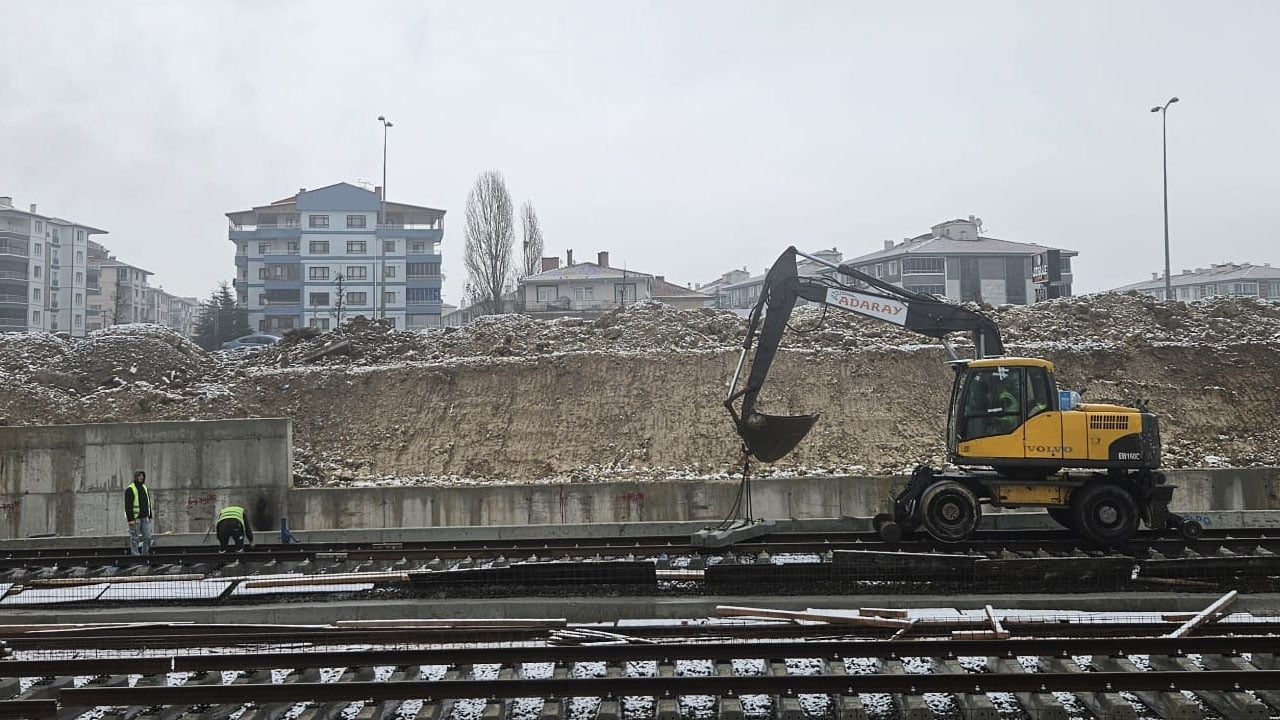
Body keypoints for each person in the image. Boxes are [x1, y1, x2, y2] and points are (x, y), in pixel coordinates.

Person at [124, 470, 153, 556]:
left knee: (147, 537)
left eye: (142, 476)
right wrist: (130, 519)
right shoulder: (130, 489)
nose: (141, 477)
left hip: (144, 517)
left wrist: (150, 515)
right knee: (134, 538)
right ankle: (135, 555)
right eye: (139, 476)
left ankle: (144, 554)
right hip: (135, 518)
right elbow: (128, 506)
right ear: (136, 477)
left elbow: (148, 502)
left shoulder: (144, 487)